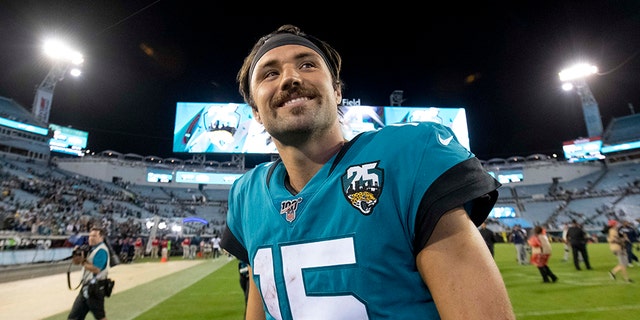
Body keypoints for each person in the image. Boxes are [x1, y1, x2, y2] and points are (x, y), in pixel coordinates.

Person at [220, 24, 515, 319]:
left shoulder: (407, 157)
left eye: (307, 64)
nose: (290, 78)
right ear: (255, 112)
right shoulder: (248, 195)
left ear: (337, 91)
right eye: (270, 73)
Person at [68, 227, 110, 320]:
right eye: (90, 235)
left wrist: (82, 261)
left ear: (101, 238)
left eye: (94, 236)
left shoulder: (101, 250)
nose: (91, 238)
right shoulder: (90, 249)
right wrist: (76, 256)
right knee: (74, 316)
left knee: (100, 317)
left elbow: (96, 269)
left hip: (95, 288)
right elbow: (76, 262)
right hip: (87, 287)